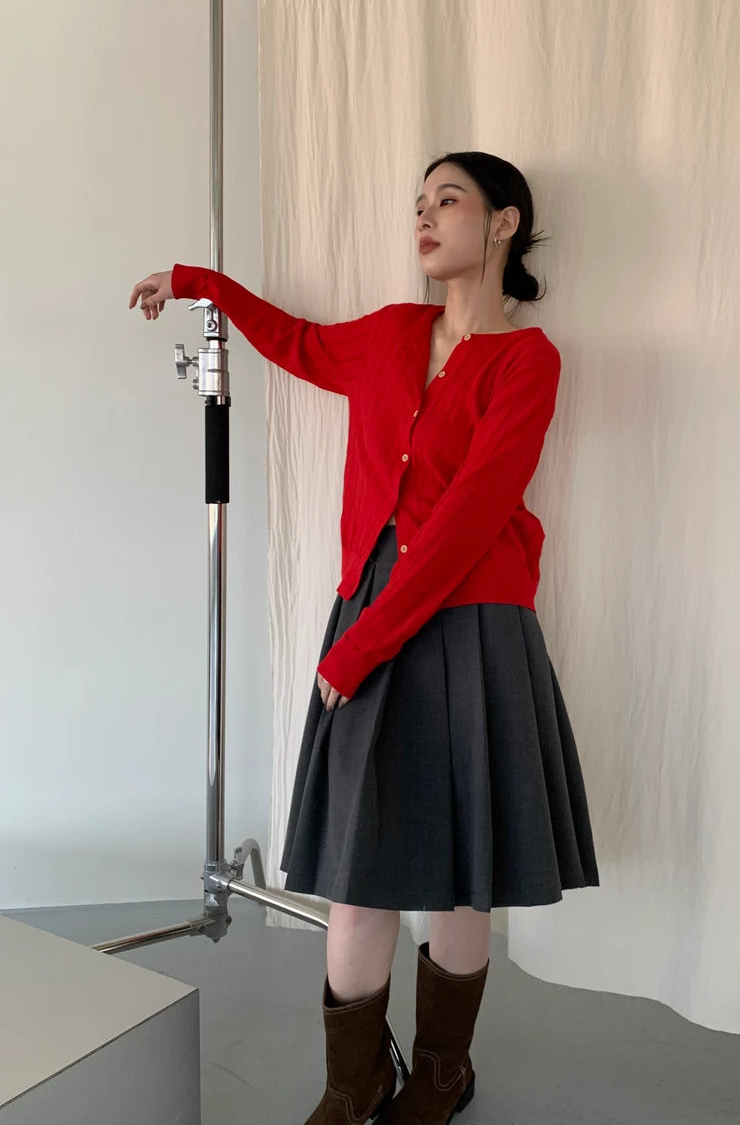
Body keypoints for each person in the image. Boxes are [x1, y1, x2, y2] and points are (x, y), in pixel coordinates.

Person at [129, 151, 600, 1125]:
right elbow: (296, 341)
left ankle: (441, 1077)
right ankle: (354, 1086)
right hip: (373, 611)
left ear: (504, 222)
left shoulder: (528, 360)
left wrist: (360, 646)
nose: (424, 217)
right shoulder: (389, 335)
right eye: (418, 204)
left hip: (473, 622)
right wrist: (198, 281)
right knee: (359, 868)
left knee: (461, 881)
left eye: (448, 201)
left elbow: (473, 516)